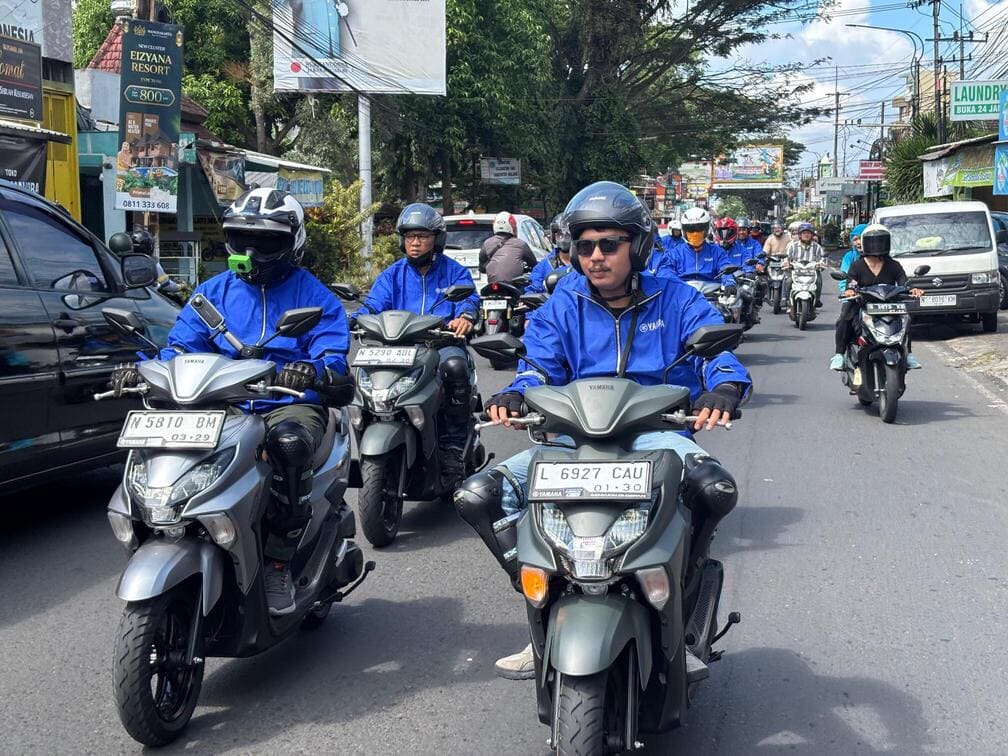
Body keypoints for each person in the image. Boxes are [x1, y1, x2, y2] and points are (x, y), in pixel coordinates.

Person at [454, 181, 752, 680]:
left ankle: (681, 615)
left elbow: (718, 355)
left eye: (609, 244)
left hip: (658, 436)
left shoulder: (676, 299)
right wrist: (516, 392)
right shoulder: (562, 304)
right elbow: (537, 366)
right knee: (478, 495)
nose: (595, 256)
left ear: (638, 246)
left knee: (712, 489)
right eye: (585, 245)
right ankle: (544, 609)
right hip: (574, 440)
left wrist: (723, 388)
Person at [109, 188, 352, 616]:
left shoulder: (314, 296)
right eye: (242, 239)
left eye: (266, 241)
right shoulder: (212, 294)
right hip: (218, 405)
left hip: (284, 402)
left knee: (289, 444)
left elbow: (332, 355)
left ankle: (279, 560)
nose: (252, 252)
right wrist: (142, 370)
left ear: (292, 242)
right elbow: (179, 347)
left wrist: (311, 371)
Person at [351, 203, 481, 486]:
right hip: (396, 347)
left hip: (440, 344)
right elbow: (372, 305)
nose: (415, 242)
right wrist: (355, 318)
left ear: (437, 239)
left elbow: (470, 299)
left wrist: (465, 317)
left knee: (455, 366)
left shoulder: (454, 272)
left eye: (422, 236)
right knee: (361, 374)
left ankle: (453, 446)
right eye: (409, 236)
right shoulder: (392, 275)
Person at [831, 224, 923, 370]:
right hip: (862, 303)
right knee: (844, 319)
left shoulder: (893, 265)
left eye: (881, 241)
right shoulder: (857, 266)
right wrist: (850, 291)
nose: (877, 245)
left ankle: (908, 354)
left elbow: (903, 283)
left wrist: (912, 290)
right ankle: (839, 355)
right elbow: (852, 283)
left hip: (889, 305)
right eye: (873, 241)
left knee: (906, 319)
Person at [652, 206, 733, 284]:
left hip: (713, 291)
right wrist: (675, 284)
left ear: (706, 229)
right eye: (690, 229)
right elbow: (665, 270)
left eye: (699, 229)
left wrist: (728, 281)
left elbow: (725, 266)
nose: (695, 233)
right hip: (683, 291)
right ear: (684, 231)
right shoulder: (675, 253)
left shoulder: (717, 252)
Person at [479, 211, 538, 284]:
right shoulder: (521, 244)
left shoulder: (486, 243)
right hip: (514, 285)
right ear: (512, 226)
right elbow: (534, 264)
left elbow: (482, 268)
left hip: (492, 285)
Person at [526, 214, 573, 294]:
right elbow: (533, 290)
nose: (563, 238)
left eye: (568, 235)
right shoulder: (544, 266)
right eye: (560, 234)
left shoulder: (585, 262)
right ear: (554, 236)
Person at [783, 221, 826, 310]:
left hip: (812, 273)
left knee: (819, 280)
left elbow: (822, 258)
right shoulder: (793, 247)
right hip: (796, 272)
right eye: (804, 233)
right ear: (800, 235)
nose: (806, 235)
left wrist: (821, 264)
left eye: (808, 233)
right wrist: (786, 263)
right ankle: (788, 301)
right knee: (788, 281)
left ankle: (817, 300)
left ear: (812, 235)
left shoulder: (817, 247)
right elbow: (786, 258)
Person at [838, 223, 867, 294]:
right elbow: (845, 279)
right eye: (855, 239)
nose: (859, 242)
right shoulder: (849, 257)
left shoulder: (879, 256)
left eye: (861, 238)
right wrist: (847, 291)